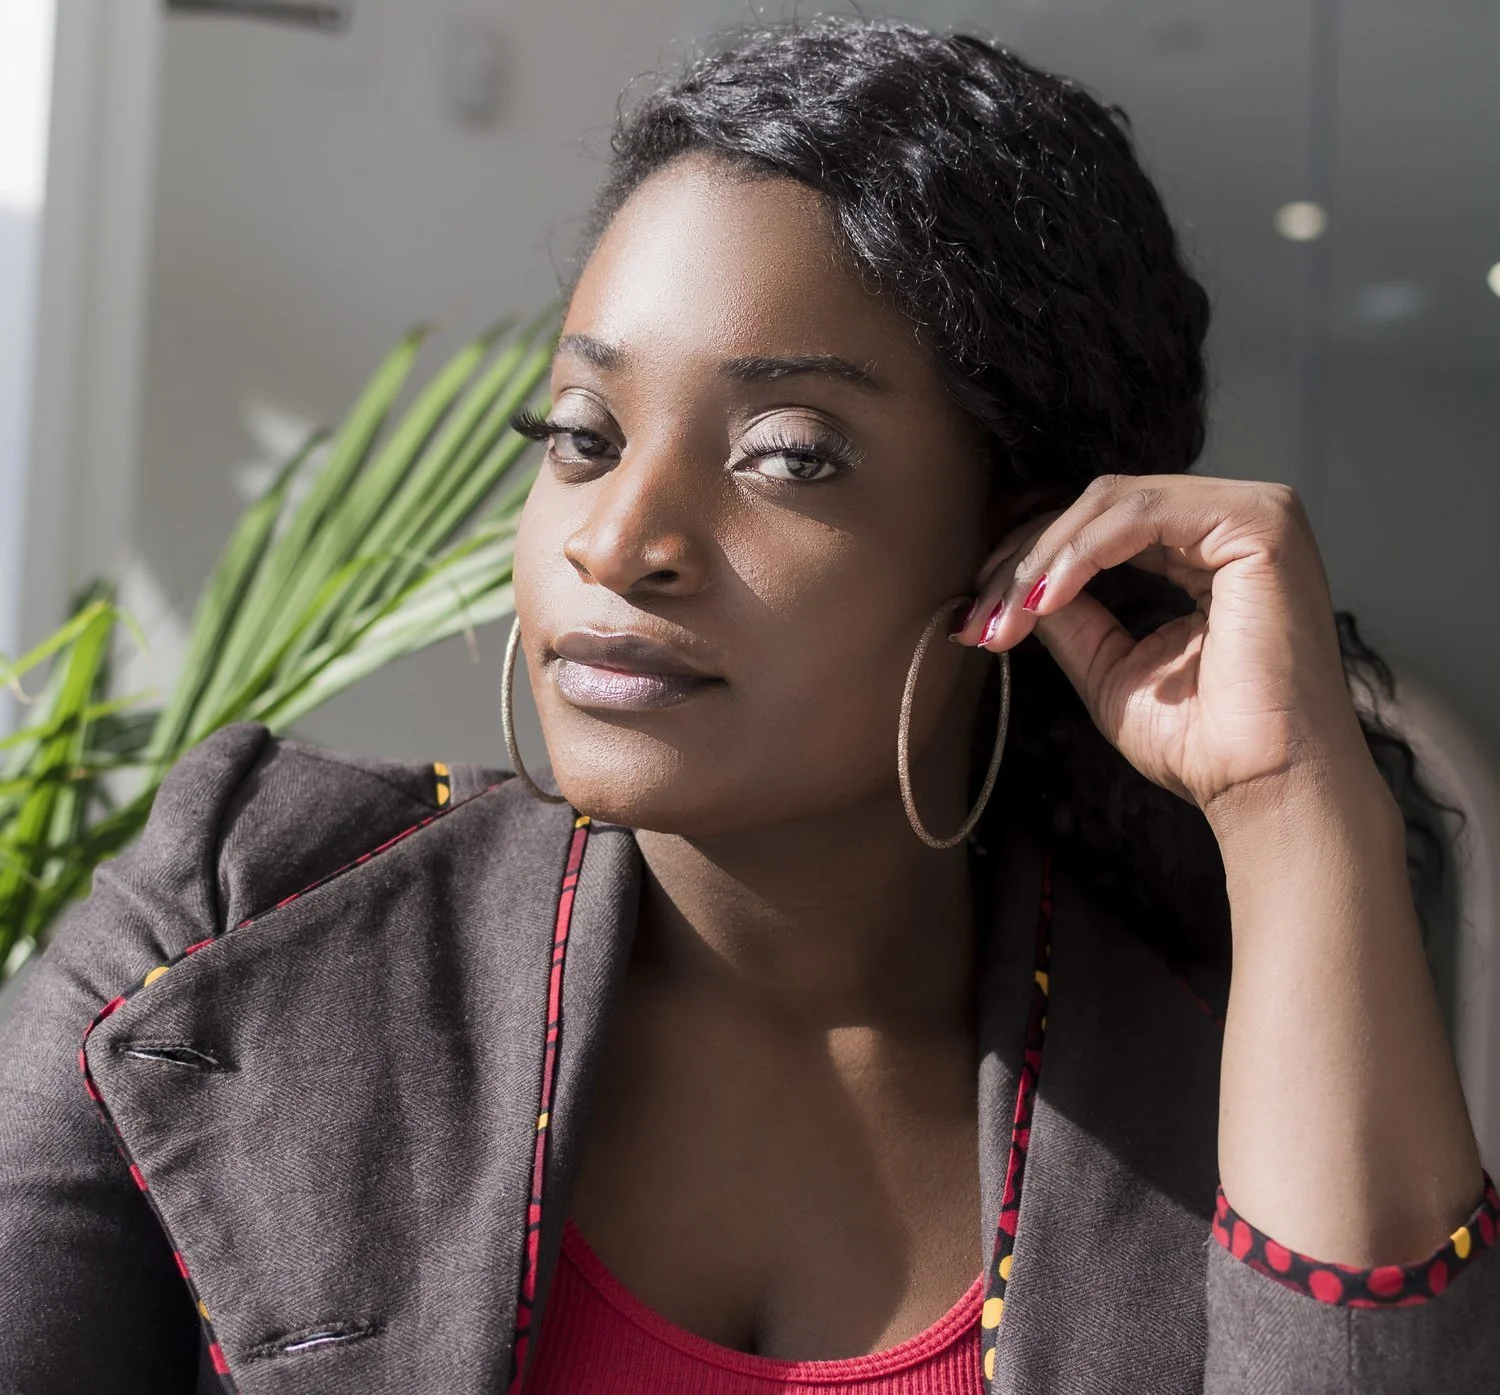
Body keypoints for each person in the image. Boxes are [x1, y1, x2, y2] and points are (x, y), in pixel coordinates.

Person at [1, 19, 1494, 1395]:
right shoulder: (226, 928)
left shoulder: (1211, 1116)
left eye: (787, 454)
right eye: (582, 434)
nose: (619, 536)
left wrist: (1299, 812)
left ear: (1022, 552)